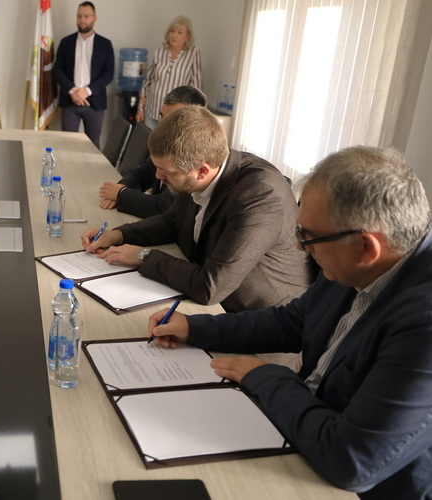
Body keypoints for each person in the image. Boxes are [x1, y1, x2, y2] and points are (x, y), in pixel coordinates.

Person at [148, 146, 432, 498]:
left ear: (366, 247)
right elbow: (293, 321)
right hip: (301, 432)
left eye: (308, 236)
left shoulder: (423, 323)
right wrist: (195, 327)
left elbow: (353, 461)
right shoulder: (357, 256)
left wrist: (265, 376)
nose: (300, 248)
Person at [82, 105, 312, 313]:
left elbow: (210, 286)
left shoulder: (260, 195)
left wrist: (143, 256)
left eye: (167, 172)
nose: (158, 176)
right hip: (216, 302)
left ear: (202, 171)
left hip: (261, 318)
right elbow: (172, 222)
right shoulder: (199, 167)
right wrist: (118, 235)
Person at [99, 86, 207, 218]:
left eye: (171, 119)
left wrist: (121, 193)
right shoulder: (166, 143)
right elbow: (140, 175)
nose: (161, 125)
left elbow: (163, 206)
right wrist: (120, 189)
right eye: (162, 116)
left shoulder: (194, 156)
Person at [54, 1, 114, 149]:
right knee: (67, 145)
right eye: (79, 16)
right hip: (70, 101)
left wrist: (86, 91)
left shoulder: (105, 44)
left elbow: (108, 73)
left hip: (95, 103)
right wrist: (73, 91)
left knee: (93, 146)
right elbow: (57, 70)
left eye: (86, 16)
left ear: (94, 18)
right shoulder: (66, 42)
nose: (82, 20)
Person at [136, 16, 202, 129]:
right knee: (148, 139)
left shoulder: (193, 54)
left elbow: (196, 87)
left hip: (175, 114)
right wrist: (140, 108)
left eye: (179, 32)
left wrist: (193, 116)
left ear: (187, 36)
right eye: (172, 31)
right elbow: (147, 81)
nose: (174, 35)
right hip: (152, 110)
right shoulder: (159, 53)